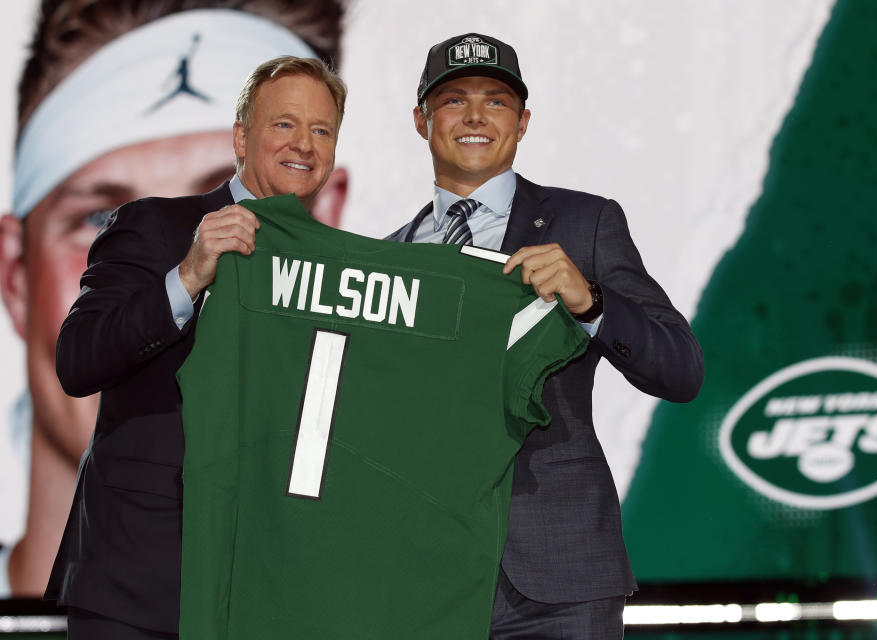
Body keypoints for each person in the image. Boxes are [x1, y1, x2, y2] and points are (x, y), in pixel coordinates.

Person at [0, 0, 347, 597]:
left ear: (333, 206)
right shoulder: (161, 240)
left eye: (317, 130)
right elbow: (80, 360)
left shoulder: (347, 279)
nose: (302, 144)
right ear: (16, 274)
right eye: (95, 215)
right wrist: (185, 276)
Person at [387, 33, 705, 639]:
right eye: (454, 100)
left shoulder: (585, 223)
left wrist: (592, 303)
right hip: (425, 577)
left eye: (497, 101)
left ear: (523, 121)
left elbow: (682, 370)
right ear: (421, 120)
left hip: (558, 581)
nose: (476, 116)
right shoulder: (386, 257)